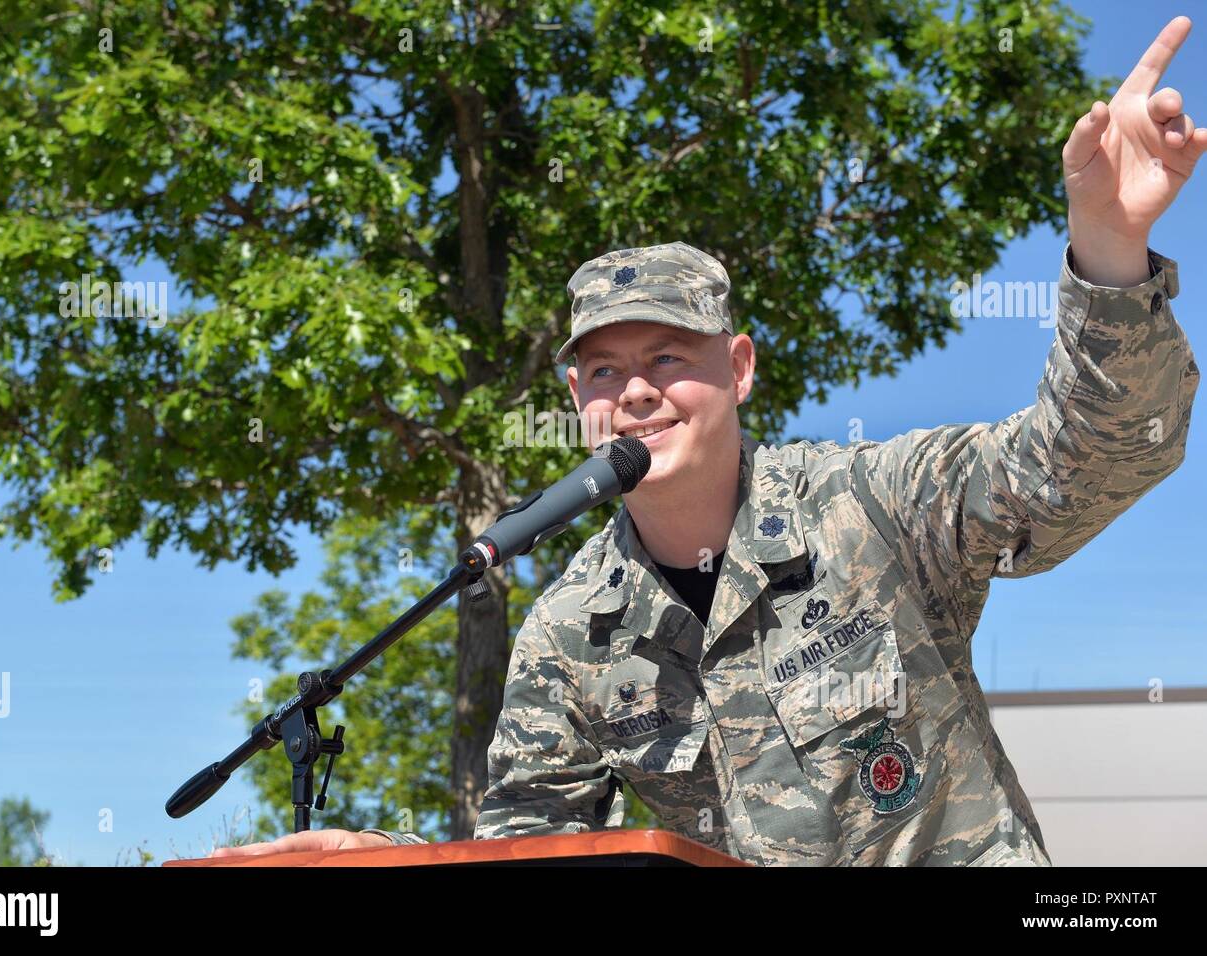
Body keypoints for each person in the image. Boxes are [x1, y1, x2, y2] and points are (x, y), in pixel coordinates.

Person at [213, 16, 1201, 865]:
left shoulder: (873, 499)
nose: (635, 391)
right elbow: (528, 865)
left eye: (667, 357)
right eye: (603, 370)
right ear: (575, 398)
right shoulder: (567, 636)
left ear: (737, 368)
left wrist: (1107, 253)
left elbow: (1092, 456)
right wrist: (402, 863)